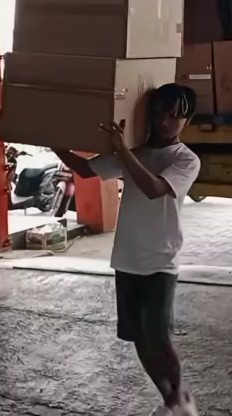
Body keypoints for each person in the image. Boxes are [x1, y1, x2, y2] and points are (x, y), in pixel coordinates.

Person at [54, 83, 201, 416]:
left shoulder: (185, 160)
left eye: (174, 116)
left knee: (159, 336)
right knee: (138, 337)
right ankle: (169, 400)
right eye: (160, 114)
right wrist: (53, 141)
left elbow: (154, 188)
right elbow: (85, 169)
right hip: (127, 258)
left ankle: (181, 399)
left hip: (161, 260)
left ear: (187, 120)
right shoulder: (133, 152)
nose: (165, 122)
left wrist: (123, 150)